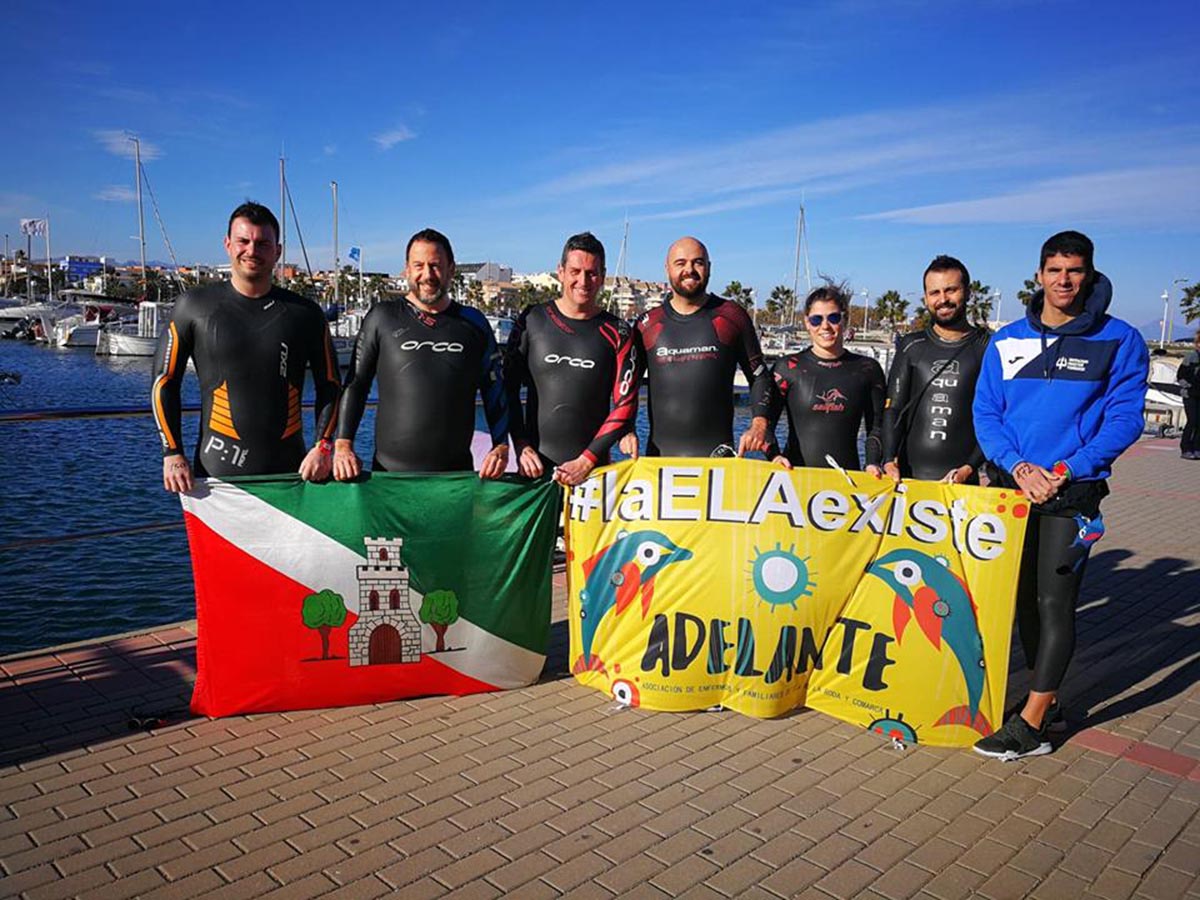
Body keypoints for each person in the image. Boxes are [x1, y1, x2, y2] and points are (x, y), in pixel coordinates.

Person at [972, 230, 1148, 760]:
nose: (1064, 281)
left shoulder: (1120, 339)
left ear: (1089, 275)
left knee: (1055, 604)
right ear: (1039, 275)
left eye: (1074, 271)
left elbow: (1124, 420)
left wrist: (1068, 468)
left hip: (1071, 494)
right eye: (1055, 270)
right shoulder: (1007, 340)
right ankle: (1046, 702)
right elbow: (987, 414)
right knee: (1023, 603)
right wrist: (1019, 466)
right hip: (1014, 489)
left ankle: (1031, 727)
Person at [153, 202, 341, 492]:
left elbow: (330, 385)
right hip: (216, 479)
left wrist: (324, 446)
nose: (252, 250)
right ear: (228, 245)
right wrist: (172, 452)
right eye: (243, 241)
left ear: (277, 251)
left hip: (291, 475)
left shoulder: (305, 314)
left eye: (263, 243)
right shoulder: (194, 306)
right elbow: (165, 382)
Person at [333, 228, 508, 479]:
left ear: (451, 270)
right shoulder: (382, 318)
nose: (427, 275)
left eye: (435, 266)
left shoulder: (473, 323)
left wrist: (501, 445)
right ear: (407, 269)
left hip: (456, 480)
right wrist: (343, 445)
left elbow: (494, 389)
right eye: (419, 265)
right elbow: (357, 384)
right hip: (389, 478)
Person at [619, 236, 772, 459]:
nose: (689, 269)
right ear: (667, 268)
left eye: (698, 262)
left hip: (718, 463)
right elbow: (628, 386)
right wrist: (627, 428)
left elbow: (760, 377)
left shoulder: (732, 317)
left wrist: (759, 424)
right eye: (680, 263)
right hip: (659, 464)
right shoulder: (647, 325)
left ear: (709, 267)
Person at [504, 232, 638, 486]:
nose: (583, 281)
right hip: (534, 470)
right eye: (575, 271)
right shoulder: (532, 320)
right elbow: (507, 390)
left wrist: (586, 460)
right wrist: (520, 444)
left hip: (593, 474)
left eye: (592, 273)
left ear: (603, 276)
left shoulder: (619, 331)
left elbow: (625, 404)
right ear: (561, 272)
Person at [881, 255, 990, 484]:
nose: (943, 299)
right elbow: (893, 408)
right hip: (908, 479)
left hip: (961, 481)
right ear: (926, 298)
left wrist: (970, 467)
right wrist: (889, 458)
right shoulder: (911, 345)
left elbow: (994, 418)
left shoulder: (988, 347)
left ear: (968, 293)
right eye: (935, 292)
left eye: (951, 290)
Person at [765, 284, 885, 473]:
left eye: (834, 318)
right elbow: (765, 424)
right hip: (795, 479)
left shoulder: (867, 369)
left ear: (844, 319)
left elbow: (877, 428)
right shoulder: (788, 368)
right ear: (806, 322)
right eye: (816, 320)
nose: (825, 326)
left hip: (847, 482)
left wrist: (872, 463)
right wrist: (774, 456)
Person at [1178, 329, 1200, 459]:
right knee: (1192, 421)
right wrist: (1188, 386)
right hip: (1190, 394)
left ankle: (1197, 448)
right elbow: (1181, 375)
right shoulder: (1191, 357)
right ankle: (1186, 448)